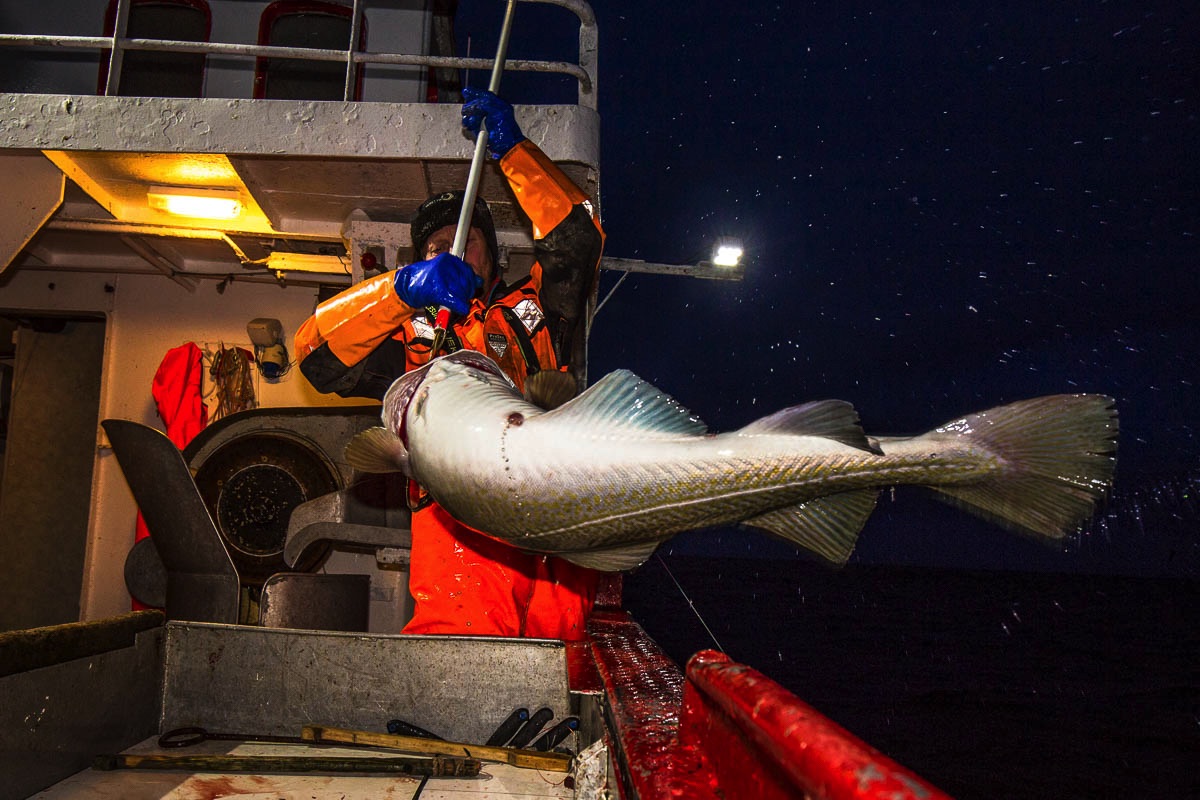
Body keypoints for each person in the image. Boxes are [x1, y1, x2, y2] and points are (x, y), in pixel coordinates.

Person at [295, 88, 605, 640]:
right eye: (435, 246)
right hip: (457, 520)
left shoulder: (536, 308)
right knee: (464, 653)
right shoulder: (404, 334)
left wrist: (512, 152)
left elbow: (577, 238)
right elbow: (314, 358)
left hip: (553, 509)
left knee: (561, 658)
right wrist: (398, 290)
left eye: (467, 241)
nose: (453, 249)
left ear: (492, 257)